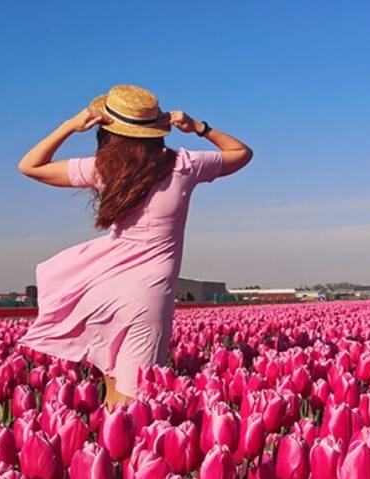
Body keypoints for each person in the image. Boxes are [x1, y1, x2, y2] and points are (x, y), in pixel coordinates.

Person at [16, 85, 252, 405]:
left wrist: (70, 125)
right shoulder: (184, 165)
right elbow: (241, 153)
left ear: (107, 130)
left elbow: (30, 166)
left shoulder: (103, 168)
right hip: (148, 293)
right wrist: (199, 127)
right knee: (134, 398)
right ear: (156, 129)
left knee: (114, 390)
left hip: (105, 284)